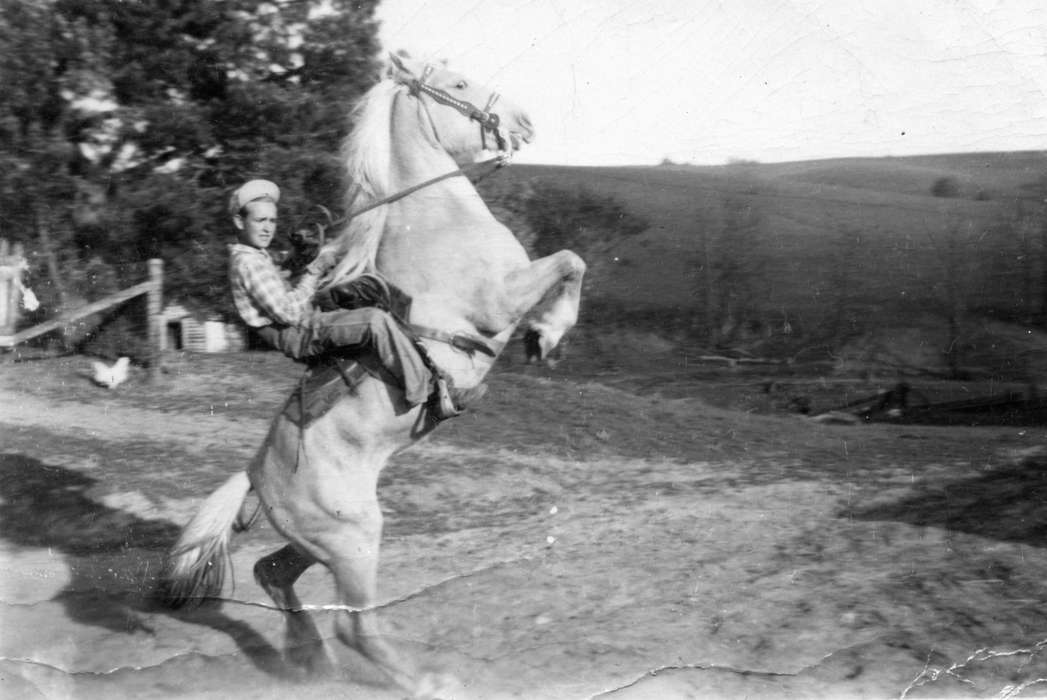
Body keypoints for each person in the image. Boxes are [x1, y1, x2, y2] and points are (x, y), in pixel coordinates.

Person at [226, 179, 483, 419]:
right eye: (260, 220)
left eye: (272, 220)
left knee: (367, 289)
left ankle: (435, 371)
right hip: (297, 332)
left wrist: (303, 256)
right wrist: (314, 271)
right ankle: (432, 395)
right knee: (374, 321)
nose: (268, 227)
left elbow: (280, 274)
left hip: (301, 323)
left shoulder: (257, 256)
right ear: (239, 222)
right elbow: (288, 312)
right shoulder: (249, 264)